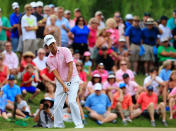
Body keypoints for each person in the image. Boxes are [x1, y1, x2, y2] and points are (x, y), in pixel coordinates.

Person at [45, 34, 84, 128]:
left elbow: (70, 66)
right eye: (50, 45)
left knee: (71, 101)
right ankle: (58, 125)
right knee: (57, 103)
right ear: (47, 46)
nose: (53, 46)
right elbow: (56, 73)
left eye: (53, 43)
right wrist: (63, 84)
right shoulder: (49, 59)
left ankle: (79, 124)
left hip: (73, 79)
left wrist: (68, 82)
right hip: (61, 81)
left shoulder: (65, 50)